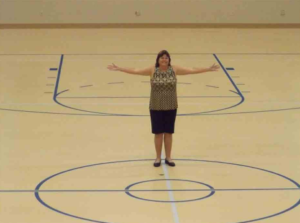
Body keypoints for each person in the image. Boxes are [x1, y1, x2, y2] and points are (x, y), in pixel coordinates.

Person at [107, 50, 220, 167]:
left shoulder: (174, 69)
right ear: (158, 60)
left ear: (169, 60)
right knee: (158, 133)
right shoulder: (152, 70)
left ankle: (168, 157)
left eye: (166, 58)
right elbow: (136, 70)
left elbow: (191, 70)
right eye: (162, 57)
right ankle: (157, 158)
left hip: (171, 106)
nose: (164, 59)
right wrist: (120, 68)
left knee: (169, 133)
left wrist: (207, 69)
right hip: (156, 106)